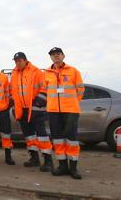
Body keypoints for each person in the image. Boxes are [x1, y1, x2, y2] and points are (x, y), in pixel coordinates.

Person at [44, 47, 84, 179]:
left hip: (70, 111)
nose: (56, 56)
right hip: (53, 111)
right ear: (51, 57)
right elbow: (45, 91)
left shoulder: (73, 71)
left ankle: (73, 168)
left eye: (58, 54)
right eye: (53, 55)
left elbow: (80, 89)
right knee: (57, 139)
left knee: (72, 140)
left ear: (63, 56)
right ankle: (62, 166)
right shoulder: (47, 73)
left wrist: (72, 103)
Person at [9, 52, 53, 172]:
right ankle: (34, 158)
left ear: (25, 60)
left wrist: (38, 102)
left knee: (42, 136)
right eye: (16, 61)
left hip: (35, 109)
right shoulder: (14, 74)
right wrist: (13, 105)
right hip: (21, 110)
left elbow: (45, 87)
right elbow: (12, 91)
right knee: (29, 136)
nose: (17, 63)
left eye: (19, 60)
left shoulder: (36, 72)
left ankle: (48, 161)